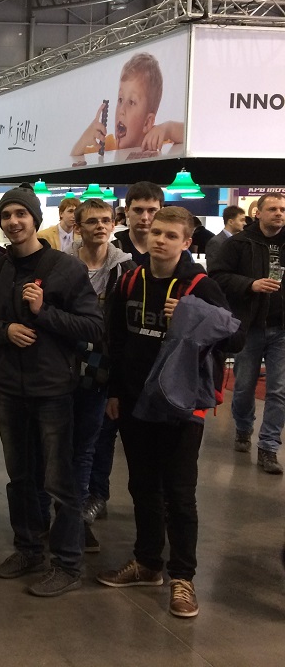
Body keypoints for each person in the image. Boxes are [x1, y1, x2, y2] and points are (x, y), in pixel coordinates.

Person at [98, 206, 236, 618]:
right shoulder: (129, 280)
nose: (160, 240)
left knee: (179, 492)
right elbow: (115, 339)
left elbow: (237, 337)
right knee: (142, 486)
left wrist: (194, 316)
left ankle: (183, 577)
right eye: (157, 232)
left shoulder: (200, 285)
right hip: (135, 401)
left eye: (171, 235)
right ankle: (147, 562)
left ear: (186, 242)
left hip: (181, 405)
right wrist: (114, 392)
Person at [0, 187, 103, 597]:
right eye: (7, 215)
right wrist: (6, 329)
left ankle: (67, 563)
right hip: (11, 388)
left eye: (21, 214)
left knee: (59, 481)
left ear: (34, 218)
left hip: (53, 390)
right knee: (20, 477)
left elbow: (93, 327)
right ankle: (28, 549)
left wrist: (43, 311)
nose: (14, 222)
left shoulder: (65, 268)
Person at [66, 198, 135, 554]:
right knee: (63, 439)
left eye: (106, 220)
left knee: (95, 439)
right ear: (78, 227)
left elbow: (125, 327)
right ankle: (65, 507)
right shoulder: (62, 265)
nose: (101, 226)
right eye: (92, 221)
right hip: (64, 362)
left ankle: (88, 503)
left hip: (104, 365)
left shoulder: (125, 268)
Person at [210, 192, 285, 473]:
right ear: (258, 213)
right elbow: (217, 277)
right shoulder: (239, 243)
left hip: (281, 329)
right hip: (249, 327)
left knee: (279, 389)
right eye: (273, 209)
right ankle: (243, 427)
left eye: (283, 209)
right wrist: (250, 285)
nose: (279, 214)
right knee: (243, 387)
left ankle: (268, 446)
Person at [70, 52, 184, 165]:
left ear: (147, 122)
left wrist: (169, 129)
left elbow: (188, 135)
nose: (122, 110)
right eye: (120, 100)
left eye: (131, 102)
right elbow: (74, 160)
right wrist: (83, 140)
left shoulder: (156, 142)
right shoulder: (108, 147)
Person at [113, 181, 164, 265]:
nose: (145, 217)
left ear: (161, 212)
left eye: (152, 210)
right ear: (126, 211)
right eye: (138, 210)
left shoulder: (172, 251)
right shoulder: (111, 251)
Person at [203, 205, 245, 270]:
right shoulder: (216, 242)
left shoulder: (239, 241)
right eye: (241, 220)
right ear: (231, 222)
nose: (244, 223)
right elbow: (213, 269)